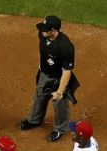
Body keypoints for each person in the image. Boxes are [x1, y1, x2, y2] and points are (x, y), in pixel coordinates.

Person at [18, 15, 79, 143]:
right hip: (44, 74)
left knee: (59, 104)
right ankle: (34, 120)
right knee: (39, 96)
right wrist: (40, 69)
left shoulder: (65, 47)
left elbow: (67, 71)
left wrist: (59, 92)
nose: (42, 30)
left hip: (59, 78)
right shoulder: (42, 35)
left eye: (45, 29)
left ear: (54, 30)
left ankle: (59, 129)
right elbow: (43, 53)